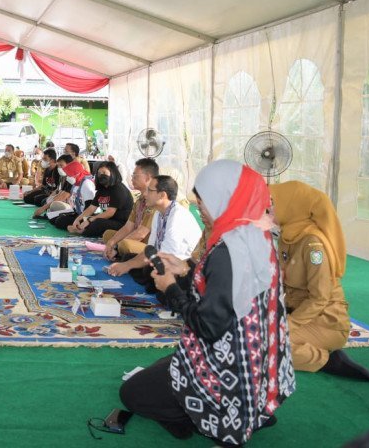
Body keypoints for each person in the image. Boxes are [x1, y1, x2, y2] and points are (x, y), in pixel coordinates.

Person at [119, 160, 295, 444]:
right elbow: (225, 292)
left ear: (227, 199)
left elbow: (209, 326)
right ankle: (254, 409)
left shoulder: (229, 252)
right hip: (257, 364)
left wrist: (171, 288)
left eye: (205, 200)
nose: (199, 206)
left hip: (228, 370)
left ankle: (205, 416)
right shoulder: (253, 235)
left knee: (132, 393)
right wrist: (185, 269)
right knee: (163, 366)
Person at [269, 181, 369, 382]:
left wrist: (288, 324)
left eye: (274, 203)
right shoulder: (288, 235)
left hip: (327, 322)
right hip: (301, 314)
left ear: (291, 206)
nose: (269, 209)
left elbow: (319, 298)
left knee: (269, 346)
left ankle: (327, 360)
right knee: (258, 335)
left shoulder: (313, 245)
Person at [108, 175, 201, 289]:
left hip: (181, 269)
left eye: (150, 190)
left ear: (162, 195)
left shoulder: (177, 216)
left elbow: (166, 257)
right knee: (129, 258)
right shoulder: (158, 213)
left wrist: (127, 266)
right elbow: (151, 249)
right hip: (162, 259)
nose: (145, 194)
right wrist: (127, 264)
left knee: (148, 270)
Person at [103, 158, 159, 260]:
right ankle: (119, 252)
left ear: (148, 178)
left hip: (149, 246)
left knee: (124, 245)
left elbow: (141, 234)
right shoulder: (140, 200)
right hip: (136, 240)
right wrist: (112, 242)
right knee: (108, 236)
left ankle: (119, 254)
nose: (132, 179)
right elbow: (128, 227)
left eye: (135, 176)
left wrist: (116, 246)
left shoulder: (154, 201)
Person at [67, 161, 133, 237]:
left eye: (104, 172)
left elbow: (109, 213)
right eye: (99, 173)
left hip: (121, 223)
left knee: (97, 223)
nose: (101, 175)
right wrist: (78, 219)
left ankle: (81, 231)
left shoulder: (118, 189)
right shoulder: (102, 190)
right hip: (108, 220)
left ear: (112, 173)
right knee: (83, 219)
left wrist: (89, 220)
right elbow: (91, 208)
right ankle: (81, 230)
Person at [48, 160, 95, 230]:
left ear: (76, 173)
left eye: (69, 175)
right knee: (52, 218)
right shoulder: (76, 182)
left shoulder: (86, 184)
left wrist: (80, 219)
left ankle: (78, 228)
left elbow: (89, 206)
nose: (67, 177)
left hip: (85, 215)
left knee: (59, 221)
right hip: (77, 211)